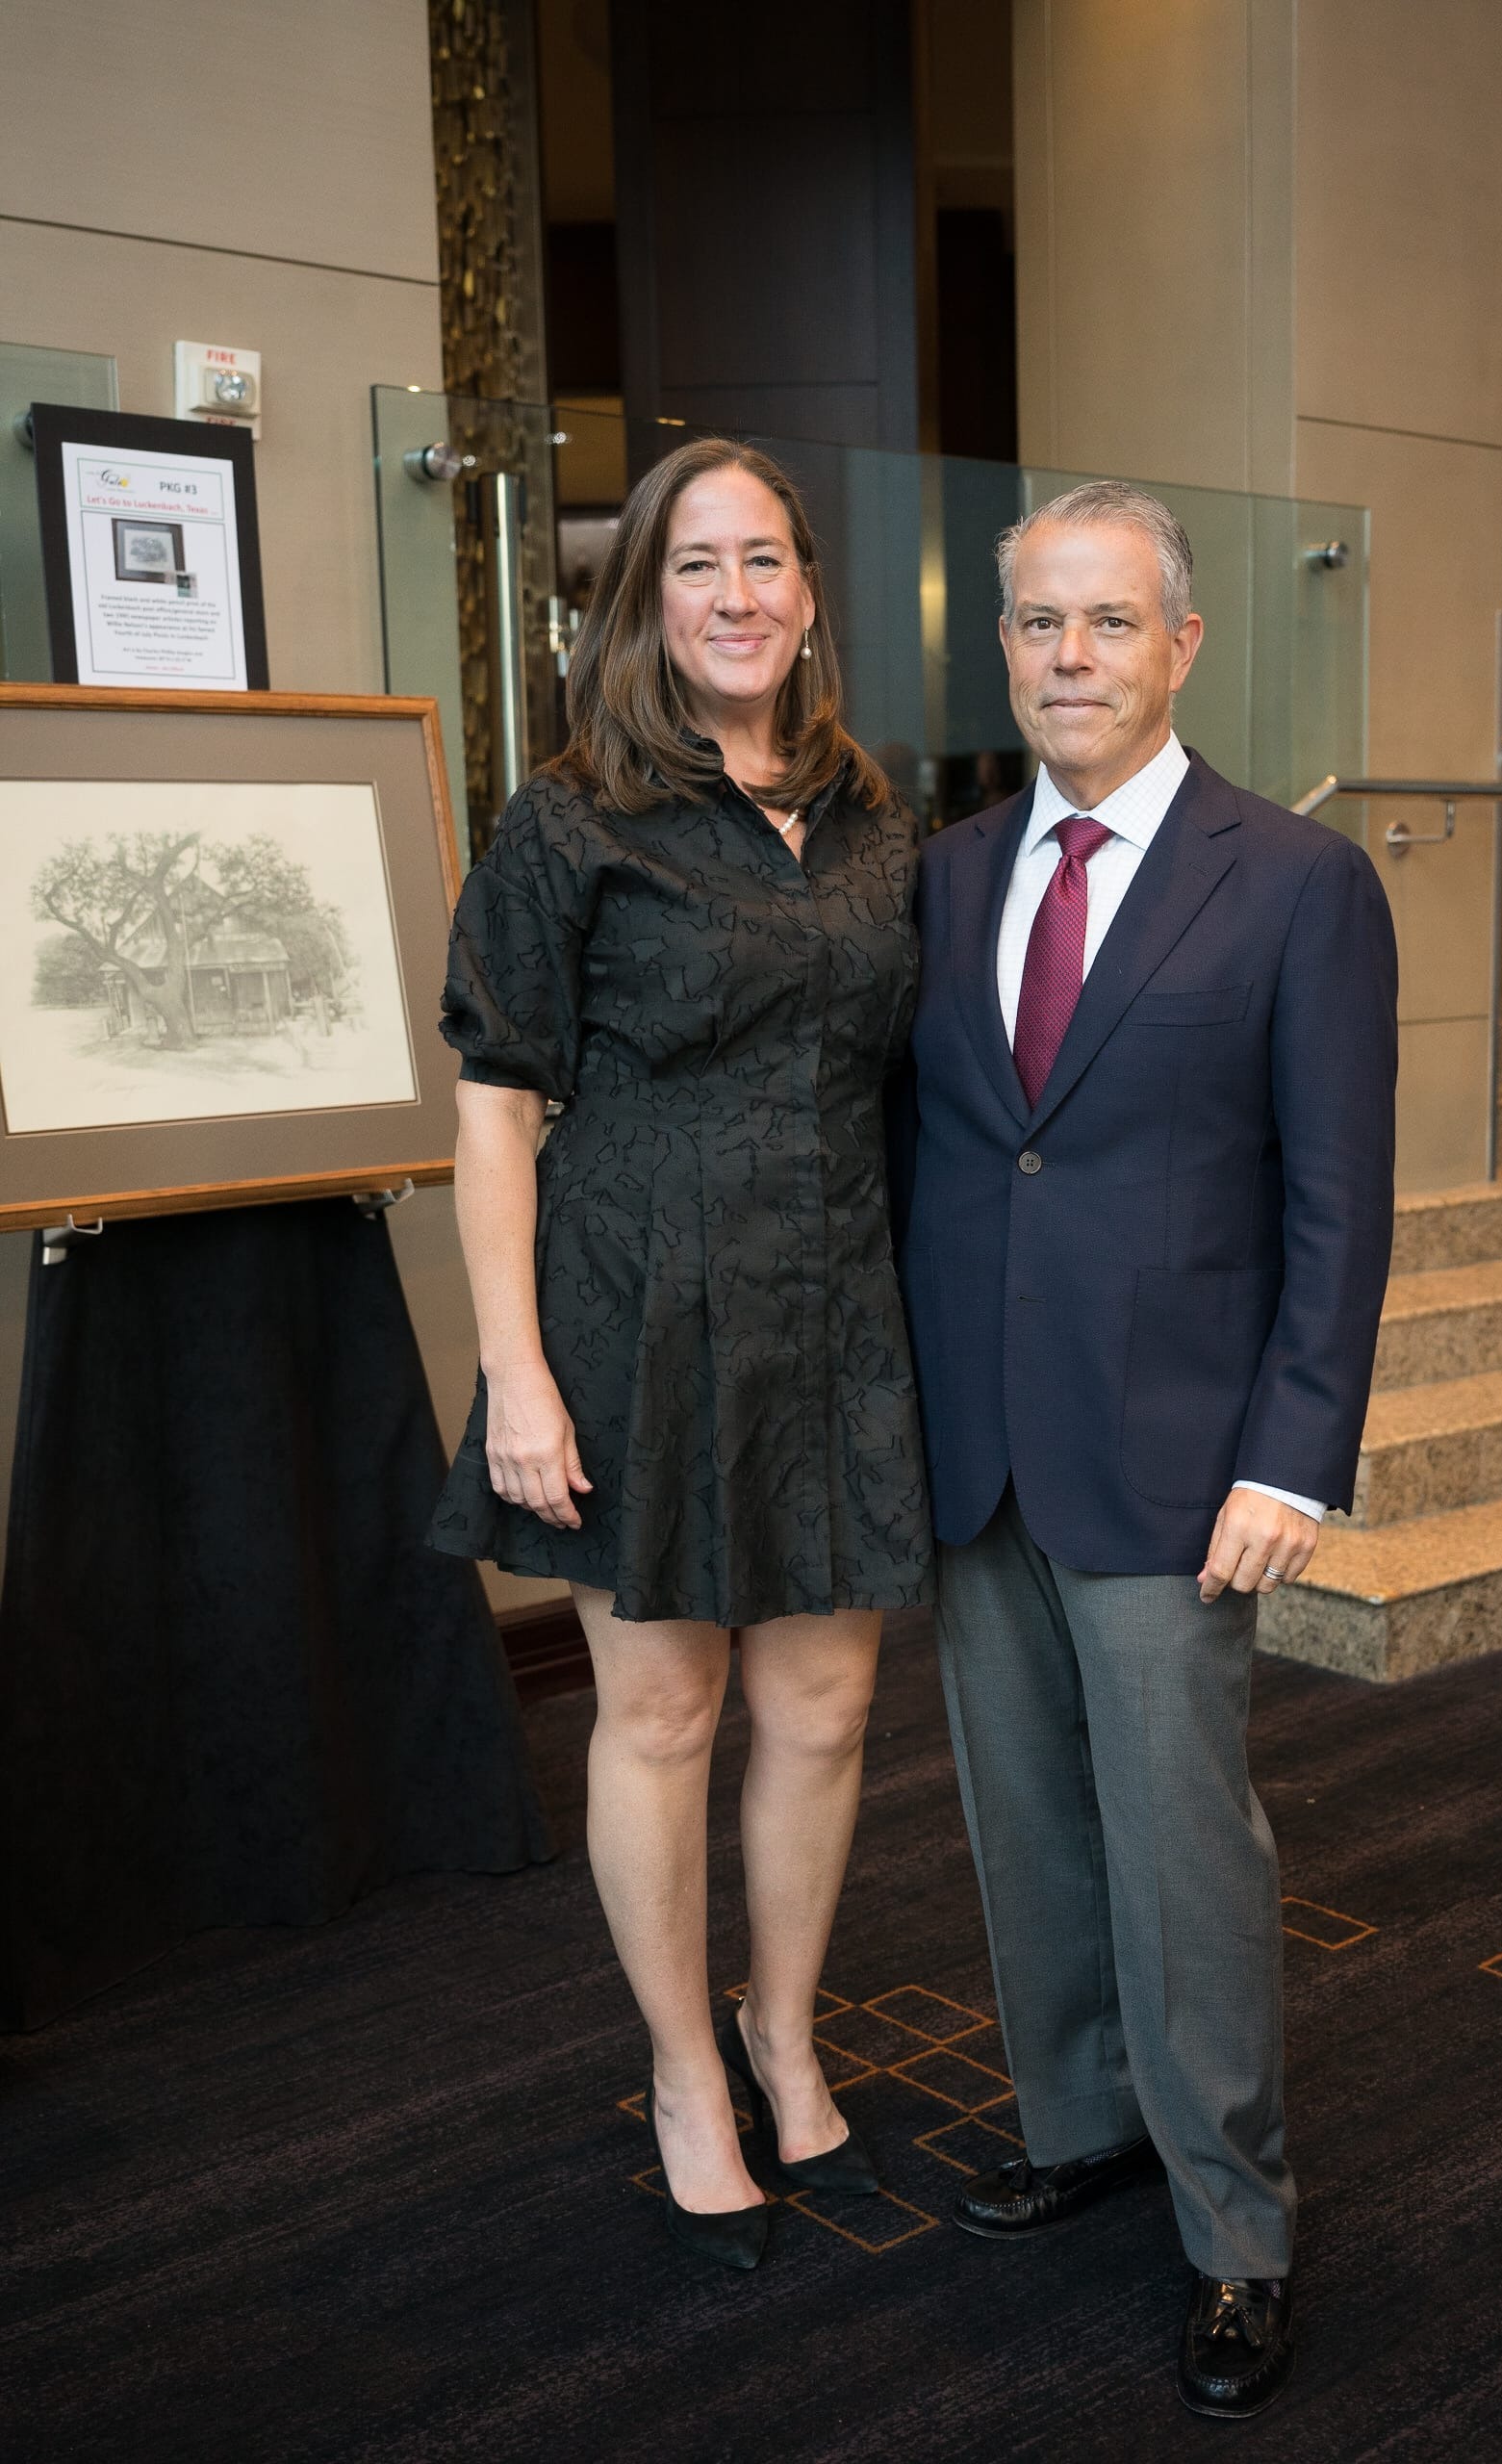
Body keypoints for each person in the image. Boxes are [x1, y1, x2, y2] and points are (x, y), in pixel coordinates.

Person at [893, 481, 1397, 2417]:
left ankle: (1237, 2230)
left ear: (1184, 643)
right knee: (1024, 1821)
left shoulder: (1297, 882)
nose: (1072, 655)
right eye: (1040, 621)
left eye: (1110, 620)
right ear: (1003, 647)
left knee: (1185, 1850)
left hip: (1183, 1463)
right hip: (979, 1447)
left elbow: (1338, 1199)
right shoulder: (946, 877)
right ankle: (1082, 2119)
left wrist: (1294, 1455)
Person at [431, 438, 932, 2271]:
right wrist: (517, 1372)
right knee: (661, 1713)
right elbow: (496, 1110)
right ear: (644, 597)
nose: (736, 594)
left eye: (766, 560)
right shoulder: (570, 817)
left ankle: (786, 2037)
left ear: (808, 592)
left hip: (838, 1301)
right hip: (631, 1307)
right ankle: (682, 2075)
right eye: (698, 563)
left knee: (825, 1711)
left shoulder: (876, 816)